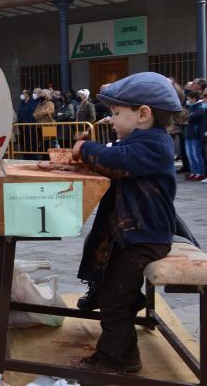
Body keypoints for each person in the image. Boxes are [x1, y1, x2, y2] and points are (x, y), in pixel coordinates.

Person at [72, 72, 181, 374]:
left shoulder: (155, 144)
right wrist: (104, 142)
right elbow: (119, 154)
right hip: (133, 234)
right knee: (109, 284)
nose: (112, 119)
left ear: (143, 114)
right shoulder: (143, 140)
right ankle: (122, 298)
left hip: (145, 238)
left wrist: (84, 149)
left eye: (117, 113)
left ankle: (118, 360)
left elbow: (118, 162)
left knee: (114, 303)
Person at [184, 91, 205, 181]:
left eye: (189, 99)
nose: (187, 101)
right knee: (190, 155)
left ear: (194, 99)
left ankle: (200, 173)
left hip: (195, 135)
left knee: (196, 155)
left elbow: (191, 117)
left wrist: (187, 117)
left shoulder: (199, 107)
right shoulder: (191, 107)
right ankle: (194, 172)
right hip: (188, 134)